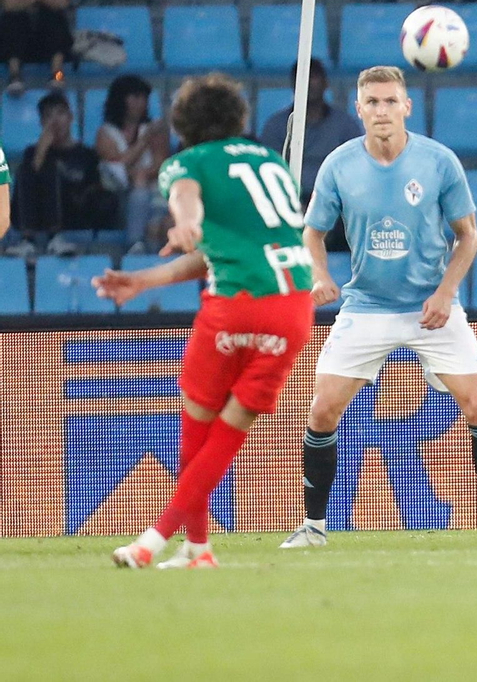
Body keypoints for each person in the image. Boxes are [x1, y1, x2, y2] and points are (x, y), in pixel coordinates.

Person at [281, 65, 477, 549]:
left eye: (390, 101)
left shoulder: (438, 162)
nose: (381, 111)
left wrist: (445, 294)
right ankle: (313, 529)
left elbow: (468, 236)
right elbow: (311, 232)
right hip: (366, 305)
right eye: (371, 102)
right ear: (358, 109)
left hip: (430, 308)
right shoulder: (339, 164)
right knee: (321, 412)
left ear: (407, 107)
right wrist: (319, 274)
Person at [95, 75, 314, 569]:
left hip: (234, 306)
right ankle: (197, 550)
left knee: (198, 421)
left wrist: (186, 216)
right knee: (229, 432)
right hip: (293, 309)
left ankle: (153, 541)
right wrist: (146, 280)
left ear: (183, 124)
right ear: (238, 118)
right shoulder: (272, 164)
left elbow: (186, 195)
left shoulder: (187, 162)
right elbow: (228, 249)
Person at [16, 91, 116, 239]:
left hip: (75, 214)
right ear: (42, 123)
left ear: (70, 118)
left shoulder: (87, 155)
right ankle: (29, 239)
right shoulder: (32, 153)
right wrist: (41, 151)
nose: (55, 121)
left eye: (60, 114)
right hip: (40, 215)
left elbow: (93, 191)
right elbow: (27, 186)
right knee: (31, 170)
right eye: (49, 116)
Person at [257, 58, 364, 196]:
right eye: (302, 78)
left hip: (335, 201)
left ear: (325, 83)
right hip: (290, 198)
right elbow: (269, 169)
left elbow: (356, 168)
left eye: (313, 77)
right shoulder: (276, 125)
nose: (308, 83)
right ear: (293, 85)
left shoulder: (345, 125)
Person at [95, 74, 170, 250]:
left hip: (154, 194)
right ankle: (135, 243)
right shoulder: (105, 134)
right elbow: (118, 166)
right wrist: (143, 142)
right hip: (119, 196)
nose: (141, 102)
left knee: (157, 226)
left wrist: (140, 176)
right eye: (135, 97)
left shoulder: (156, 130)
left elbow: (161, 165)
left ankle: (141, 251)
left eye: (144, 98)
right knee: (139, 185)